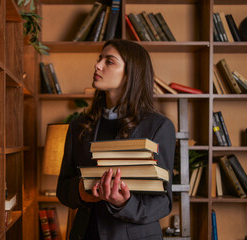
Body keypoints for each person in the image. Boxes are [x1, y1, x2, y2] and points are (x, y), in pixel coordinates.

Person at [56, 39, 175, 240]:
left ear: (131, 73)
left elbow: (163, 202)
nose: (98, 65)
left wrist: (124, 203)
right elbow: (62, 189)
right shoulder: (78, 126)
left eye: (109, 61)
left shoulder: (158, 127)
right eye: (99, 59)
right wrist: (81, 191)